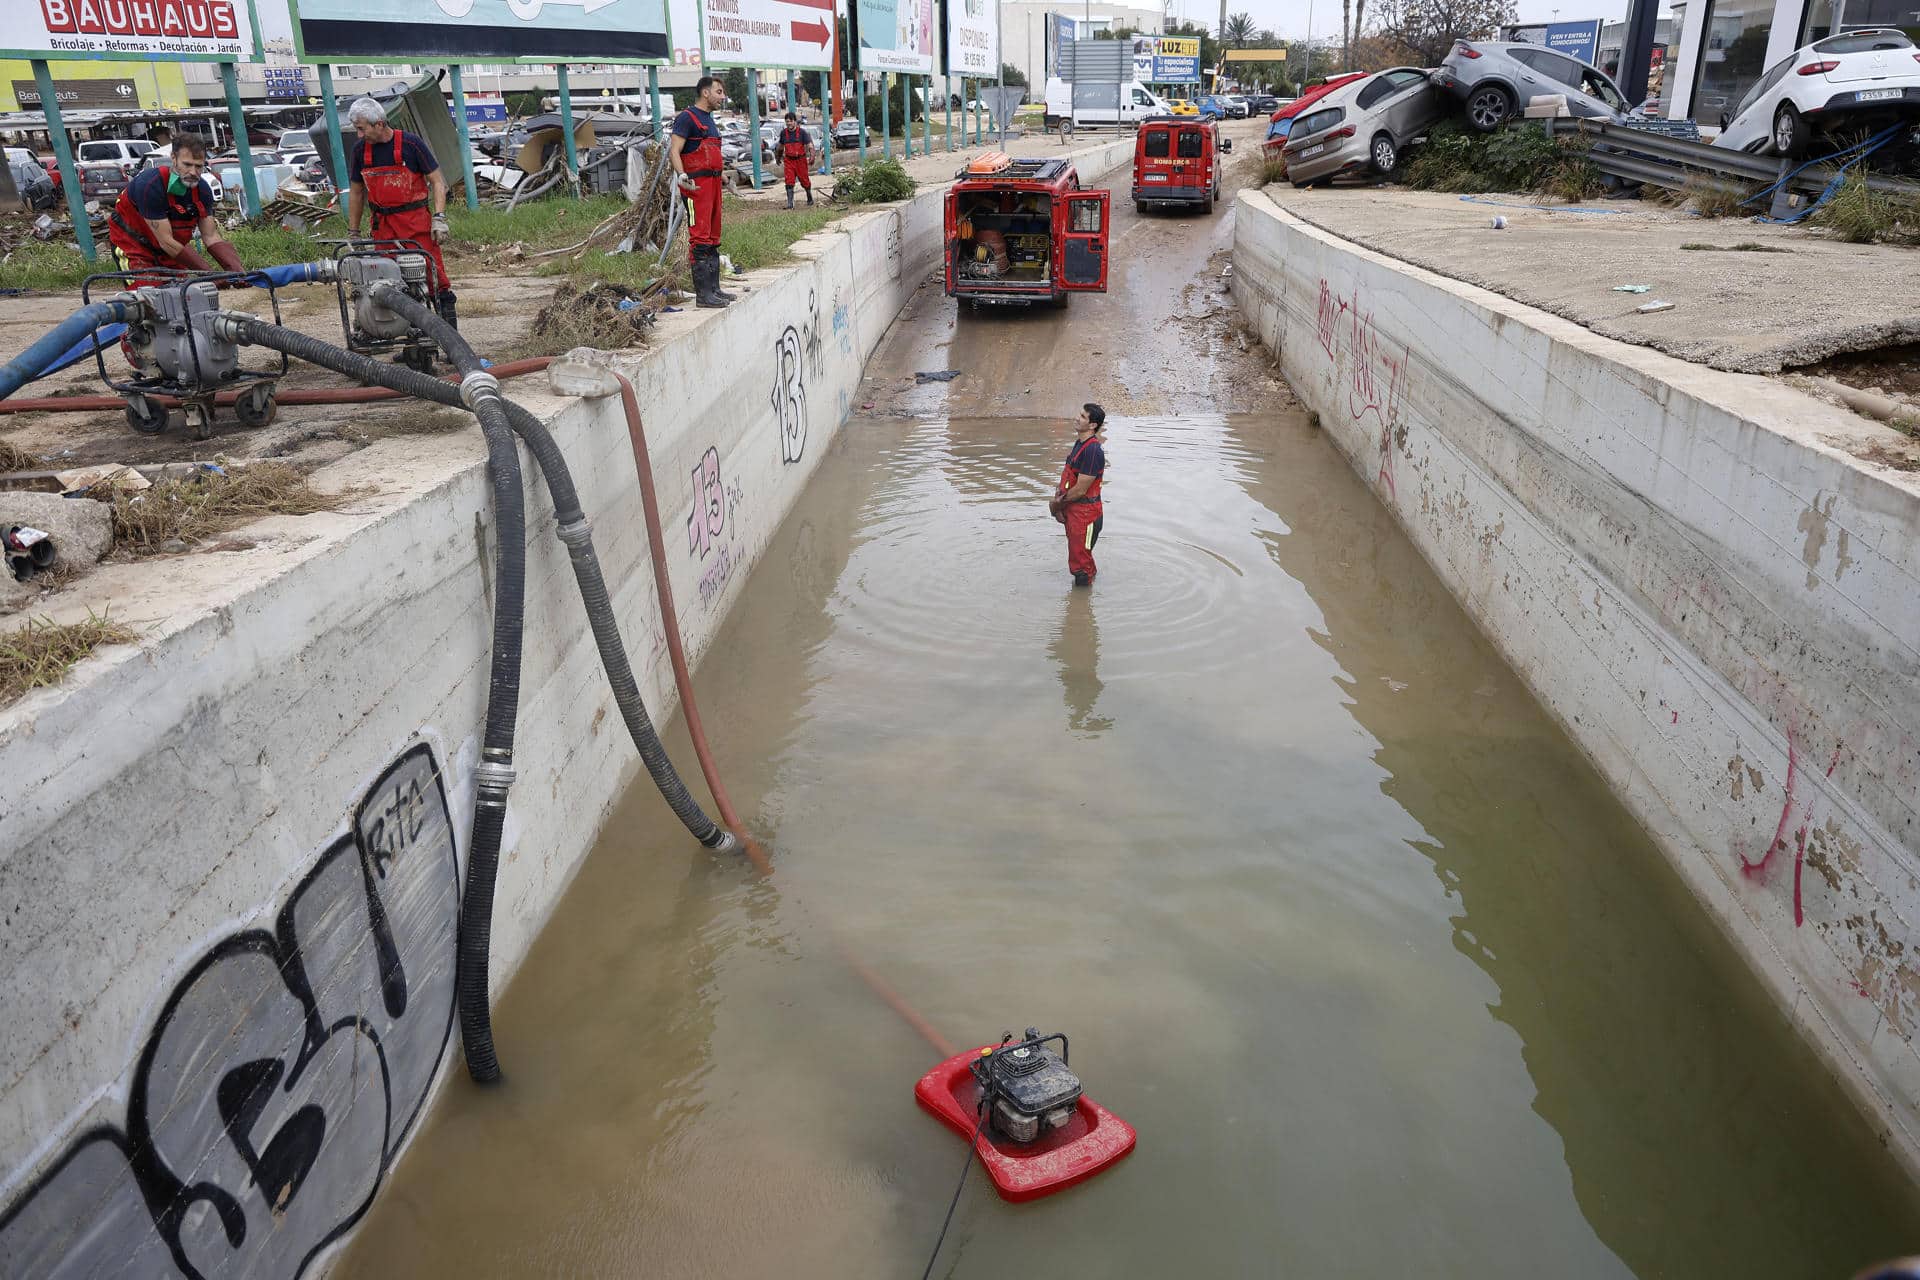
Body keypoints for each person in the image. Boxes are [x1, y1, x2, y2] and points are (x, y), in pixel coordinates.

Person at [343, 97, 456, 329]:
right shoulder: (359, 152)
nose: (359, 135)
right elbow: (356, 193)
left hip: (417, 226)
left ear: (379, 124)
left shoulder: (411, 145)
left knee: (435, 281)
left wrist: (439, 218)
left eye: (362, 129)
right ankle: (411, 341)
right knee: (390, 283)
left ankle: (451, 342)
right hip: (383, 229)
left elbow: (437, 181)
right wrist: (353, 233)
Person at [107, 134, 244, 281]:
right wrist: (208, 274)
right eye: (187, 164)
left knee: (182, 295)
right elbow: (166, 241)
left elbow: (211, 236)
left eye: (198, 166)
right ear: (173, 158)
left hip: (171, 251)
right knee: (147, 295)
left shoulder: (202, 191)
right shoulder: (150, 185)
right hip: (134, 247)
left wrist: (235, 270)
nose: (193, 172)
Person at [669, 75, 734, 309]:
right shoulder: (687, 118)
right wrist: (681, 175)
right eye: (718, 92)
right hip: (696, 187)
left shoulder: (710, 120)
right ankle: (703, 295)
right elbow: (674, 150)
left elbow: (710, 152)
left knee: (713, 237)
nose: (722, 97)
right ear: (705, 93)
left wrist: (723, 175)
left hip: (714, 185)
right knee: (700, 237)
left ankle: (714, 290)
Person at [1048, 403, 1106, 587]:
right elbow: (1069, 478)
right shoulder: (1080, 444)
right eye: (1079, 414)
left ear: (1092, 425)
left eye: (1082, 416)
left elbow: (1081, 489)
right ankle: (1088, 586)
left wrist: (1056, 505)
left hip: (1085, 516)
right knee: (1083, 558)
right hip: (1076, 512)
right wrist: (1059, 498)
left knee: (1081, 568)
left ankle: (1080, 610)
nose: (1076, 417)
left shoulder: (1092, 450)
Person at [777, 111, 814, 209]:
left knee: (804, 180)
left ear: (795, 121)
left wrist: (812, 156)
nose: (788, 123)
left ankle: (809, 196)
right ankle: (790, 204)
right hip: (789, 160)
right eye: (787, 122)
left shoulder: (802, 133)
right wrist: (778, 158)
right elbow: (780, 147)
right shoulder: (783, 133)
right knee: (789, 181)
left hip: (800, 160)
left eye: (790, 121)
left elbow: (810, 145)